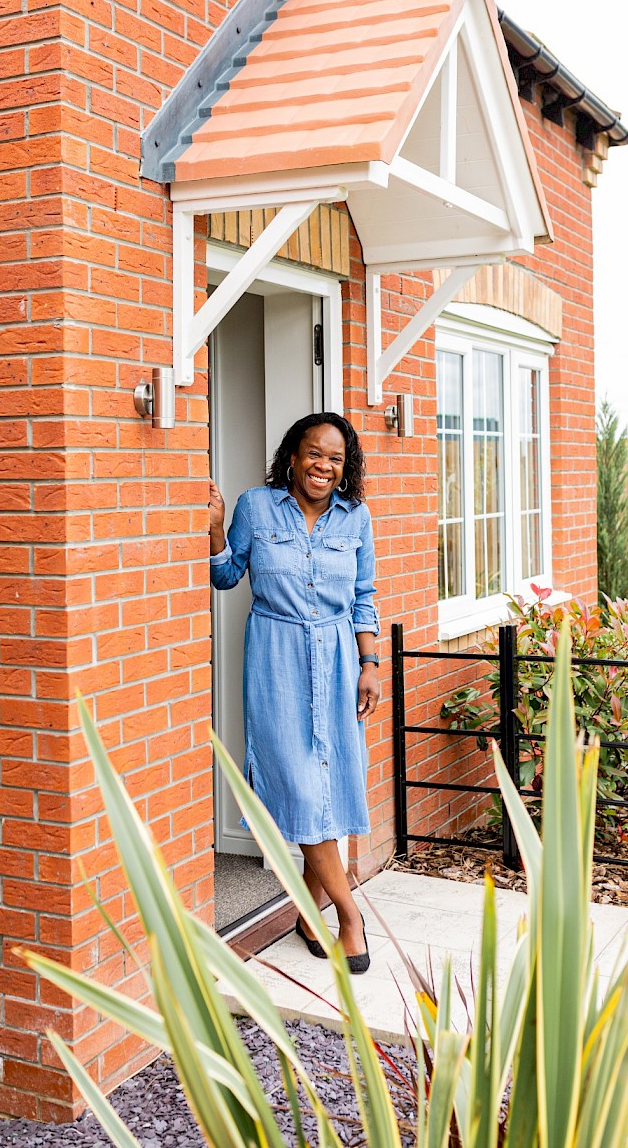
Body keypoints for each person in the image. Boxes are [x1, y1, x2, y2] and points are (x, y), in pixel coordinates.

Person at [209, 413, 380, 972]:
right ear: (292, 455)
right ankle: (349, 915)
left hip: (335, 658)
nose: (322, 466)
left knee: (327, 785)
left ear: (344, 466)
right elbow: (227, 575)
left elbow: (363, 596)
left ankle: (308, 913)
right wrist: (214, 530)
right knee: (305, 791)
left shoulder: (355, 519)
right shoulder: (257, 507)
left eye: (334, 458)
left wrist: (370, 664)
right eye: (313, 453)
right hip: (276, 658)